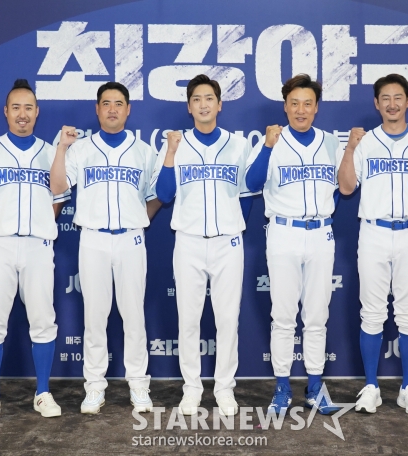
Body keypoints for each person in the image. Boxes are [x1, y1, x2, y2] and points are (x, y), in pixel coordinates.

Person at [337, 74, 408, 415]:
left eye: (398, 97)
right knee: (372, 313)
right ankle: (371, 386)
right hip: (373, 232)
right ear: (376, 103)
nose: (392, 103)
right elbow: (346, 188)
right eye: (385, 98)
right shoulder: (365, 142)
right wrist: (350, 148)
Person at [49, 82, 160, 415]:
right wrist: (61, 149)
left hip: (131, 238)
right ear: (97, 110)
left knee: (134, 315)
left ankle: (138, 384)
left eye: (119, 103)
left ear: (128, 110)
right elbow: (57, 186)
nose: (112, 109)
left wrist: (139, 219)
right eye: (106, 103)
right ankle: (94, 386)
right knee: (95, 316)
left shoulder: (144, 151)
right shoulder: (80, 149)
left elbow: (156, 196)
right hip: (93, 238)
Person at [0, 79, 69, 423]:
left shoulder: (50, 151)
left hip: (38, 245)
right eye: (16, 108)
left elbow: (59, 193)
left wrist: (41, 222)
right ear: (6, 112)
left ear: (37, 112)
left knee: (43, 320)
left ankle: (43, 392)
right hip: (0, 244)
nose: (22, 114)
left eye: (28, 108)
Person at [153, 75, 256, 417]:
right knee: (188, 320)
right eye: (196, 99)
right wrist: (170, 152)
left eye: (209, 98)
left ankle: (224, 388)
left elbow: (246, 195)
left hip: (227, 243)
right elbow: (164, 194)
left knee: (227, 319)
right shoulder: (176, 145)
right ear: (189, 106)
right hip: (189, 241)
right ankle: (192, 388)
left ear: (219, 104)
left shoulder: (238, 145)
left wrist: (231, 225)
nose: (203, 104)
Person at [244, 74, 344, 415]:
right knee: (284, 315)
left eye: (307, 104)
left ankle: (315, 387)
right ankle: (282, 387)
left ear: (316, 108)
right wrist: (268, 146)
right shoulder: (272, 140)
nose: (301, 110)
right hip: (283, 231)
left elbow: (343, 187)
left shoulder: (331, 143)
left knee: (317, 315)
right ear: (285, 107)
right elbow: (252, 182)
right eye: (294, 103)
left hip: (320, 233)